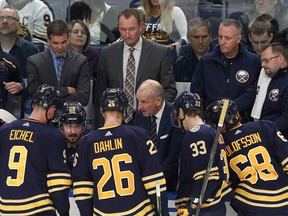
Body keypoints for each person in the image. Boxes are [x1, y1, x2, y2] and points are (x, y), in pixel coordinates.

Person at [72, 87, 168, 215]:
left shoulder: (86, 143)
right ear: (124, 110)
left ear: (101, 111)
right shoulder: (138, 135)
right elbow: (155, 183)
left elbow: (82, 192)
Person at [94, 8, 177, 127]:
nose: (127, 34)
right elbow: (100, 95)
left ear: (141, 27)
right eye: (123, 29)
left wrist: (155, 112)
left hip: (149, 122)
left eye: (131, 29)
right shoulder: (107, 54)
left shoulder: (160, 53)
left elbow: (169, 91)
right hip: (115, 121)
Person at [205, 98, 288, 216]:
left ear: (222, 125)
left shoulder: (219, 143)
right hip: (284, 201)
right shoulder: (265, 126)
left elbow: (222, 180)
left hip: (251, 204)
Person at [0, 84, 71, 215]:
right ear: (51, 109)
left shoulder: (4, 130)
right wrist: (64, 212)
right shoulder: (53, 136)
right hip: (38, 209)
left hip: (5, 210)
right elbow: (58, 184)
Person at [171, 91, 232, 216]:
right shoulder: (210, 131)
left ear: (182, 112)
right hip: (216, 204)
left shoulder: (195, 135)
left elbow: (206, 177)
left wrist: (192, 205)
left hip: (204, 208)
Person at [190, 19, 261, 122]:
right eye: (220, 37)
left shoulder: (253, 62)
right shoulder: (206, 62)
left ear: (238, 39)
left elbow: (253, 93)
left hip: (242, 122)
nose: (222, 42)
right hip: (211, 122)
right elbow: (197, 93)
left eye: (227, 38)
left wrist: (230, 109)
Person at [134, 79, 184, 192]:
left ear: (158, 101)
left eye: (144, 102)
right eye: (138, 101)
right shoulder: (140, 116)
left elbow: (173, 158)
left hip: (168, 184)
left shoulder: (175, 117)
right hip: (144, 184)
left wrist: (155, 181)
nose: (139, 107)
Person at [27, 20, 91, 106]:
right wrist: (66, 90)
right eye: (55, 43)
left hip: (70, 115)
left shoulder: (81, 61)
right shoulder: (34, 62)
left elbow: (83, 98)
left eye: (63, 42)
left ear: (68, 37)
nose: (60, 47)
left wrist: (51, 97)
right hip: (43, 116)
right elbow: (35, 93)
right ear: (48, 40)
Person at [251, 43, 288, 138]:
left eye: (266, 60)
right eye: (262, 61)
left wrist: (264, 133)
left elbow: (286, 118)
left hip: (279, 138)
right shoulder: (266, 75)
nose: (263, 65)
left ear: (280, 59)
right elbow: (251, 93)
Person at [172, 18, 213, 83]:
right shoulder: (178, 56)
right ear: (188, 38)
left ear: (210, 37)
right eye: (196, 37)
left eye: (204, 37)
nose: (200, 41)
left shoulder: (220, 55)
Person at [59, 101, 88, 170]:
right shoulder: (54, 147)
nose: (73, 131)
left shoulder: (89, 146)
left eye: (77, 126)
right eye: (68, 126)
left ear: (83, 127)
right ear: (61, 127)